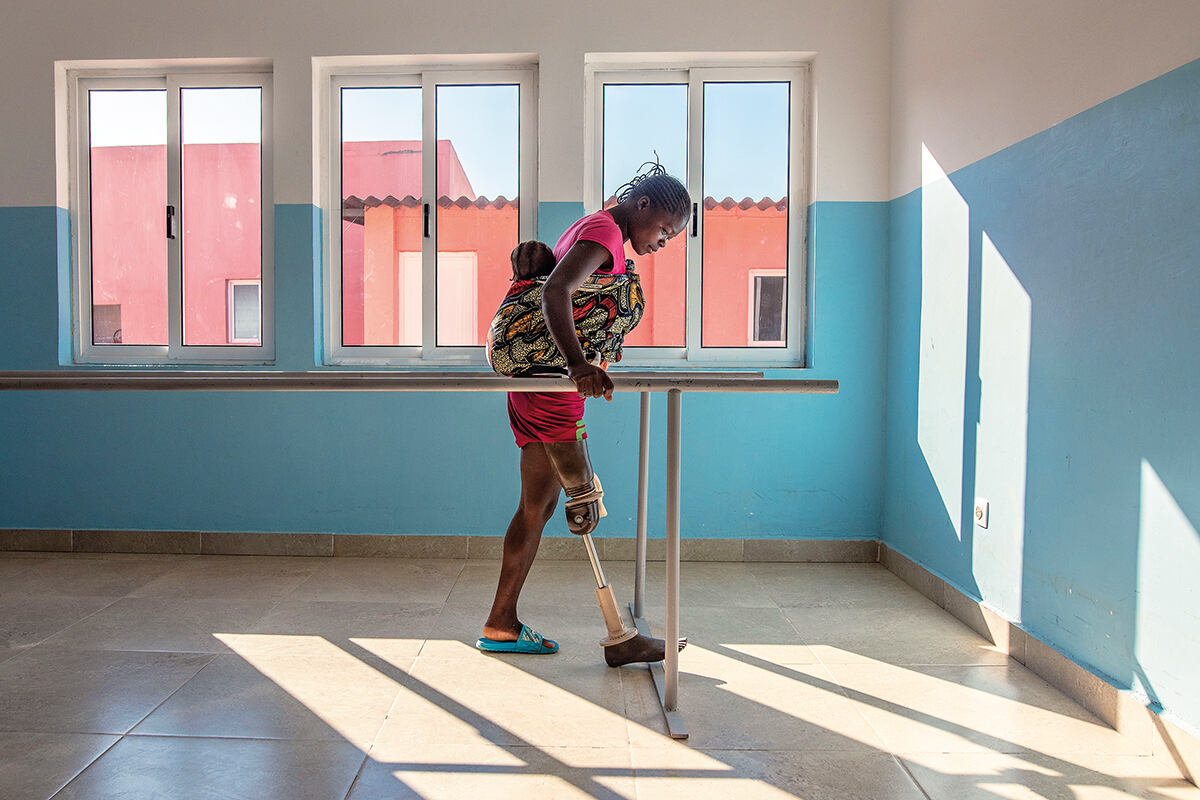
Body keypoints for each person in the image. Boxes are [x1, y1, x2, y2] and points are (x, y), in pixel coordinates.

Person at [478, 161, 692, 666]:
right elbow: (556, 291)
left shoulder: (596, 230)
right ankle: (620, 635)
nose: (664, 242)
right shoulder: (602, 233)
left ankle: (501, 624)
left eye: (671, 237)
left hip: (537, 379)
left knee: (538, 508)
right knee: (582, 500)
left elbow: (555, 283)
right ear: (642, 205)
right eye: (664, 230)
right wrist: (578, 365)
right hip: (553, 379)